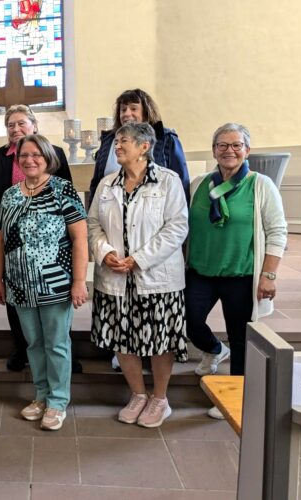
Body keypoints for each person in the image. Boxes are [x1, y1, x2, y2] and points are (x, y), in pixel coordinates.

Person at [88, 122, 188, 428]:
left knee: (159, 339)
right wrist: (105, 252)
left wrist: (138, 260)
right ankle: (138, 394)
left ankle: (160, 398)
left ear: (144, 147)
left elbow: (177, 227)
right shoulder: (107, 184)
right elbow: (92, 224)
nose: (117, 146)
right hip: (115, 276)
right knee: (123, 337)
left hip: (156, 277)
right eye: (117, 141)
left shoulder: (168, 182)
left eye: (124, 142)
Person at [186, 123, 287, 419]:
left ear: (247, 150)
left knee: (241, 338)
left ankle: (237, 396)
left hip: (240, 274)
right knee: (189, 322)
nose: (229, 150)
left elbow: (277, 231)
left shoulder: (260, 184)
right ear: (214, 150)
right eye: (222, 145)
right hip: (201, 270)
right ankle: (215, 349)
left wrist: (269, 274)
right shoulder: (199, 184)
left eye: (236, 145)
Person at [0, 134, 89, 431]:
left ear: (47, 157)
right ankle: (41, 395)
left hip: (55, 282)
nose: (29, 160)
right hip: (20, 284)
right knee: (33, 342)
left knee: (56, 343)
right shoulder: (10, 194)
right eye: (24, 155)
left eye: (36, 154)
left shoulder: (63, 190)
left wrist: (79, 281)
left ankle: (58, 401)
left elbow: (80, 239)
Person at [0, 104, 73, 373]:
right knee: (15, 297)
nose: (16, 128)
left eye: (21, 123)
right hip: (11, 240)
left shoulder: (54, 153)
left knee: (55, 304)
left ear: (34, 125)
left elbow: (67, 194)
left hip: (50, 243)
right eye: (10, 125)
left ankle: (63, 352)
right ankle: (20, 347)